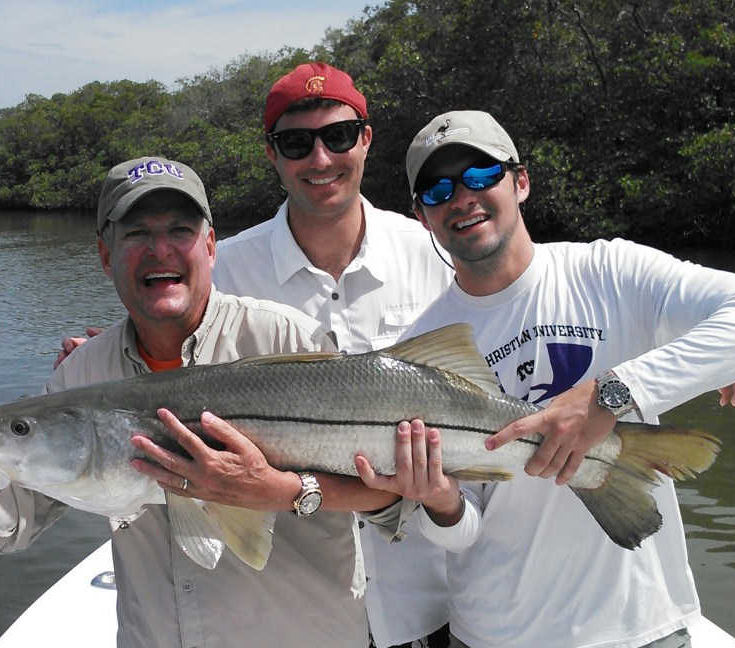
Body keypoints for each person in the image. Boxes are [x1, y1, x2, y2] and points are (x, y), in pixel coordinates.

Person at [0, 156, 438, 648]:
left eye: (180, 231)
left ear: (210, 246)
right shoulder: (82, 374)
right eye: (136, 233)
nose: (159, 249)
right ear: (105, 255)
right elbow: (5, 524)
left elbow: (389, 498)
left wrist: (280, 490)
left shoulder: (288, 339)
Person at [56, 63, 457, 648]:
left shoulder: (438, 255)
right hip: (297, 598)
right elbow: (163, 349)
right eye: (296, 143)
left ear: (366, 139)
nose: (320, 158)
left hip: (422, 591)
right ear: (271, 153)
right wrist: (97, 361)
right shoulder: (223, 267)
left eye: (338, 135)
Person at [372, 109, 735, 648]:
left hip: (642, 626)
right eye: (438, 190)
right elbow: (465, 530)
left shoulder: (610, 271)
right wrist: (441, 503)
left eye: (481, 175)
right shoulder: (419, 351)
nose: (462, 198)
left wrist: (610, 395)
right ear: (422, 217)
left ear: (520, 181)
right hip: (496, 634)